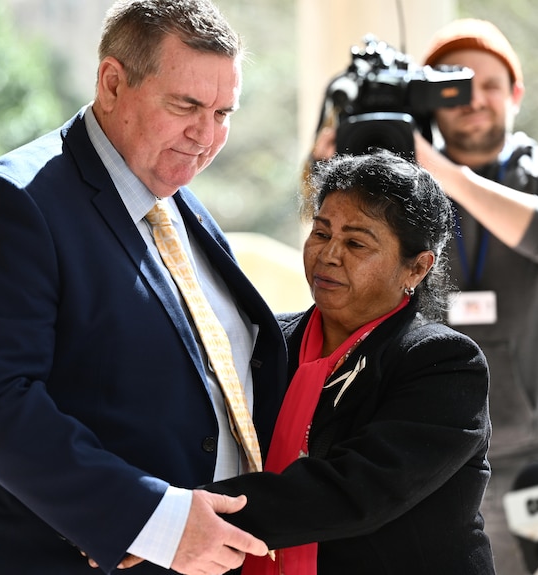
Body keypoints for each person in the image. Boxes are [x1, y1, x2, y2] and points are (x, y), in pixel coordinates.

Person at [0, 1, 287, 574]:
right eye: (187, 106)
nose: (206, 136)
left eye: (224, 113)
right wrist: (153, 521)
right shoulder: (12, 205)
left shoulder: (177, 201)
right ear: (111, 83)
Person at [206, 150, 495, 574]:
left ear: (416, 268)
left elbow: (357, 491)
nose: (329, 255)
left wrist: (190, 519)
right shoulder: (267, 345)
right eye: (321, 233)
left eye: (357, 243)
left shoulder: (443, 363)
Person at [412, 19, 538, 575]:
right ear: (428, 100)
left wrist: (447, 175)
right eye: (453, 85)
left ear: (516, 93)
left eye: (490, 83)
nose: (473, 98)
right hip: (426, 459)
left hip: (535, 459)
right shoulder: (405, 187)